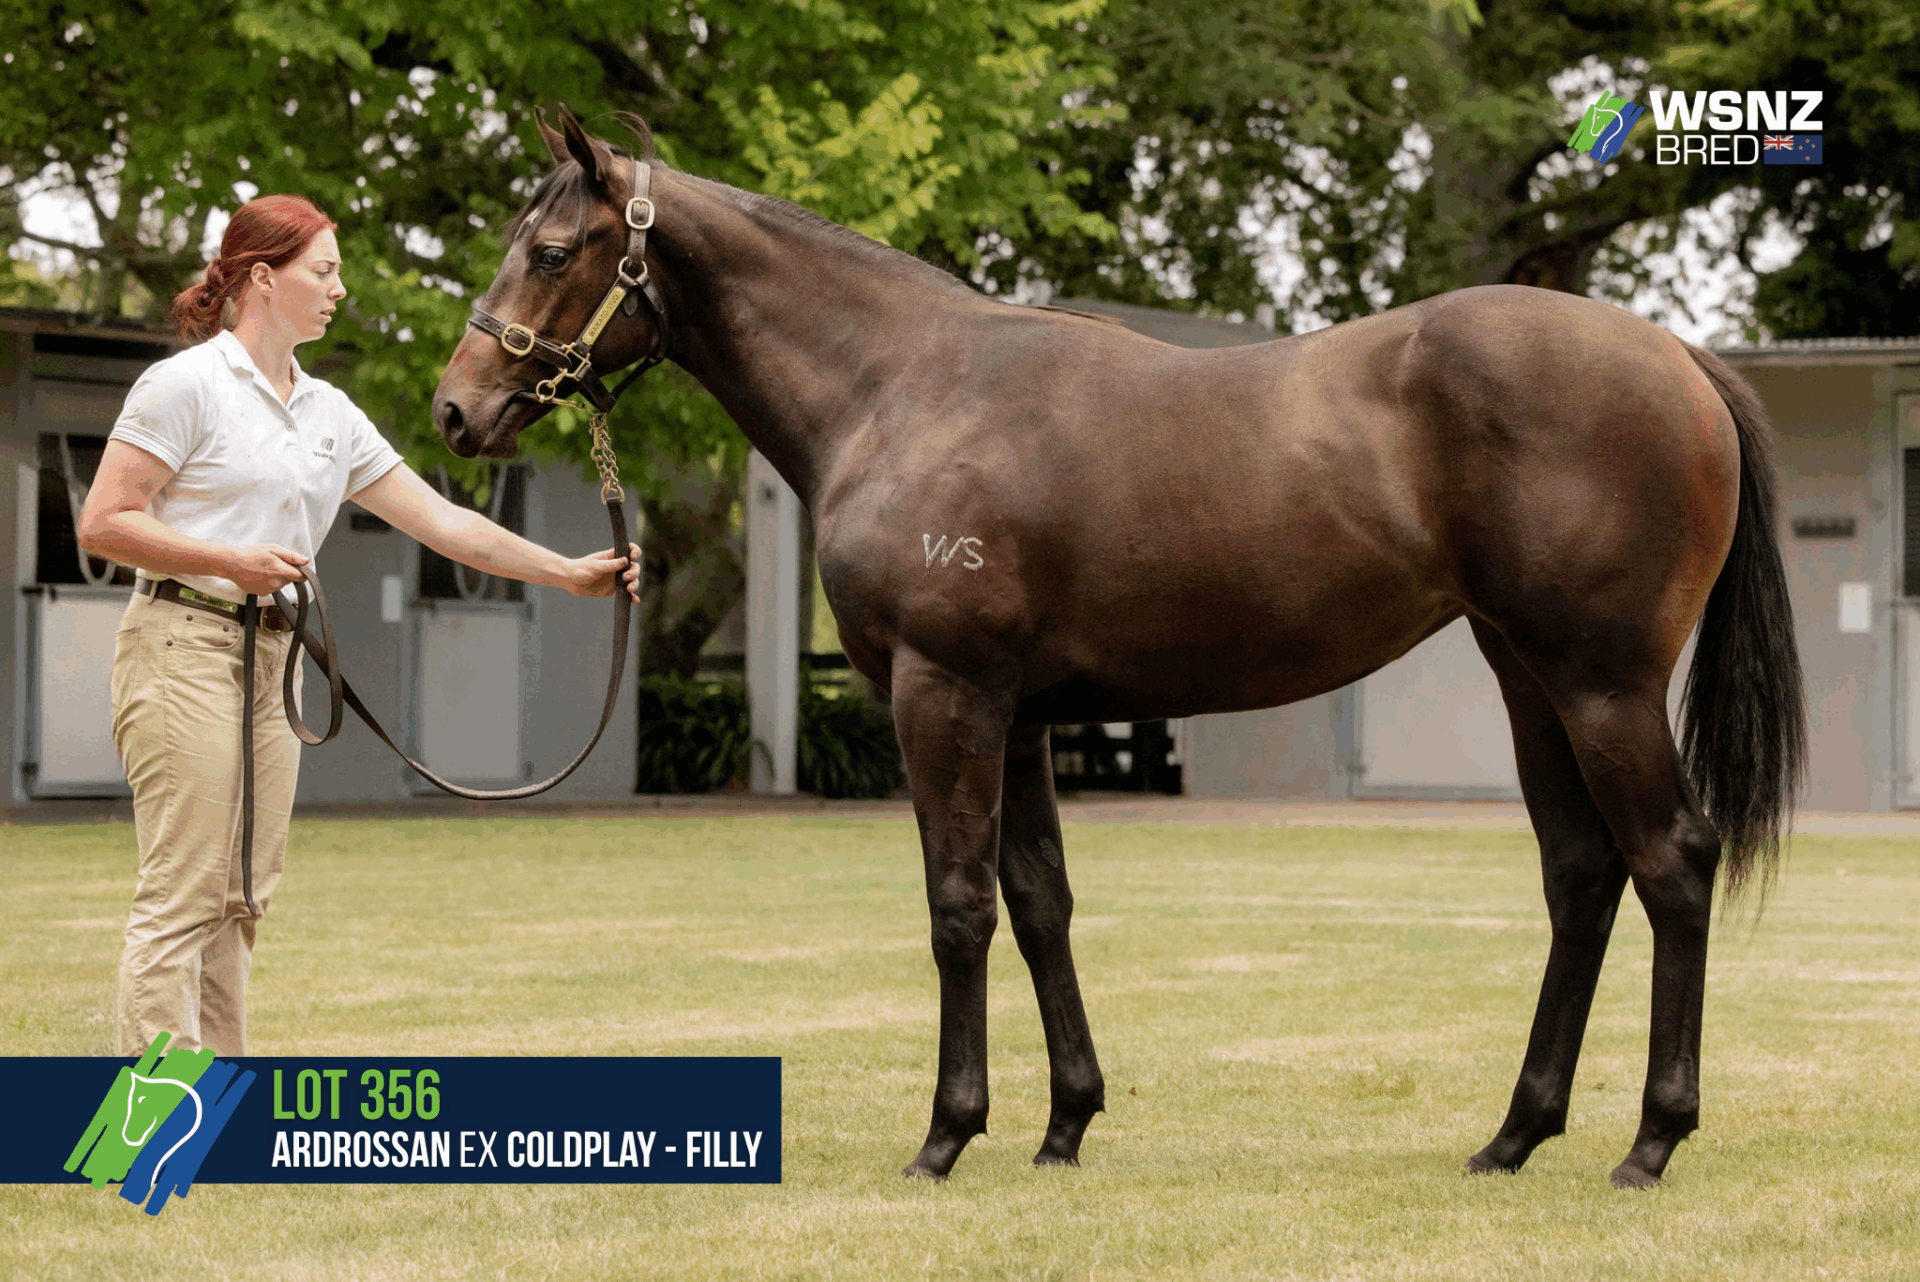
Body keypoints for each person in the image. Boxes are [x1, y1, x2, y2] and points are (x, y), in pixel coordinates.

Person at [77, 193, 640, 1057]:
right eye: (324, 271)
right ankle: (154, 1121)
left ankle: (218, 1108)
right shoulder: (186, 385)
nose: (340, 289)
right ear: (264, 278)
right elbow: (104, 522)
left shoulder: (328, 412)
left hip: (273, 663)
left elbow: (445, 524)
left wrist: (566, 573)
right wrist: (229, 561)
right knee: (183, 895)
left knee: (242, 899)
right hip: (182, 647)